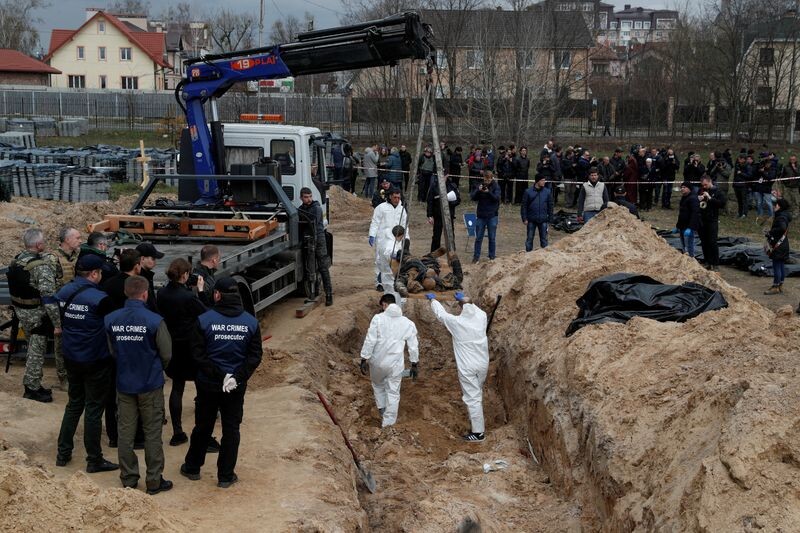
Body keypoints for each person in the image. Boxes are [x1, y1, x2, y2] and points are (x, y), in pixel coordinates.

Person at [180, 277, 263, 489]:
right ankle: (225, 475)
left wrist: (220, 376)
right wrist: (236, 377)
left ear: (217, 295)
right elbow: (254, 356)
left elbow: (197, 355)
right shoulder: (251, 322)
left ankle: (192, 467)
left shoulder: (204, 320)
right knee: (231, 428)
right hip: (235, 387)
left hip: (208, 384)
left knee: (203, 425)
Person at [105, 275, 173, 494]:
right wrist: (156, 368)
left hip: (124, 383)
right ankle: (154, 481)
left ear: (126, 292)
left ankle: (128, 478)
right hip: (150, 383)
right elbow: (166, 354)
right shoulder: (155, 320)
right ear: (145, 294)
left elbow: (112, 351)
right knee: (152, 432)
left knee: (125, 433)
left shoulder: (111, 319)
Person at [55, 254, 118, 473]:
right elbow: (112, 324)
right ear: (94, 274)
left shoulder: (63, 292)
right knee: (93, 408)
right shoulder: (100, 298)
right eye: (100, 272)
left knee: (74, 404)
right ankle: (94, 459)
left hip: (71, 355)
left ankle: (63, 453)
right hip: (95, 358)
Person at [157, 258, 210, 447]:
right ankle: (202, 430)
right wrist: (201, 291)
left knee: (177, 387)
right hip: (190, 345)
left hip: (172, 345)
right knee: (201, 387)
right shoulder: (188, 297)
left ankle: (177, 432)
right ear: (185, 275)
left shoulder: (162, 293)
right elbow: (206, 314)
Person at [7, 228, 61, 402]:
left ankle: (35, 383)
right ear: (38, 245)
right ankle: (31, 388)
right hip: (37, 317)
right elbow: (49, 299)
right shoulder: (41, 267)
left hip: (21, 313)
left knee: (32, 349)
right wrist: (57, 324)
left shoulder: (16, 260)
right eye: (43, 241)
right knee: (36, 352)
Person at [427, 292, 489, 442]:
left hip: (468, 366)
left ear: (461, 308)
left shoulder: (457, 323)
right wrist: (465, 299)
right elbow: (472, 306)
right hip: (482, 363)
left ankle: (478, 433)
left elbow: (441, 314)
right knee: (476, 393)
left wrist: (433, 300)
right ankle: (476, 419)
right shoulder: (482, 317)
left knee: (472, 398)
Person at [359, 293, 419, 428]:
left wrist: (364, 358)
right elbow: (413, 346)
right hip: (395, 364)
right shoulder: (407, 323)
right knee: (393, 392)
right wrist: (414, 363)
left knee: (378, 385)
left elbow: (370, 340)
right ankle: (388, 424)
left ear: (385, 304)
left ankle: (382, 409)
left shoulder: (378, 319)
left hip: (377, 362)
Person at [53, 227, 82, 389]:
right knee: (60, 344)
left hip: (77, 306)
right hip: (60, 307)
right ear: (67, 240)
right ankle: (63, 378)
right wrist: (56, 321)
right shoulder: (53, 259)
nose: (80, 240)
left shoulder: (78, 256)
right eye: (77, 238)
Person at [299, 187, 333, 306]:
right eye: (305, 197)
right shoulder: (301, 209)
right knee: (310, 268)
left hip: (319, 240)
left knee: (323, 268)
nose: (308, 199)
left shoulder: (316, 208)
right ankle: (314, 292)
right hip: (309, 240)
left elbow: (313, 223)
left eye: (310, 196)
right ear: (301, 198)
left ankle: (329, 295)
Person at [369, 189, 409, 291]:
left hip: (397, 239)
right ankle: (379, 283)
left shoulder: (402, 209)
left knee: (395, 260)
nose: (397, 199)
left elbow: (405, 225)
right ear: (390, 196)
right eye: (395, 197)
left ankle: (394, 281)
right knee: (380, 260)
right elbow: (375, 222)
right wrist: (372, 235)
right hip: (383, 238)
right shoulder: (381, 207)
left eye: (398, 197)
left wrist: (406, 238)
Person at [470, 170, 501, 263]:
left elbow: (496, 198)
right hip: (481, 215)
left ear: (492, 178)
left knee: (492, 238)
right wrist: (478, 191)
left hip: (492, 215)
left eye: (488, 180)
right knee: (478, 238)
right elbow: (473, 197)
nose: (486, 182)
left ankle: (492, 257)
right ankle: (476, 257)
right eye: (485, 180)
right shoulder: (480, 185)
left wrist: (488, 192)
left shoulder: (496, 186)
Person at [698, 175, 726, 271]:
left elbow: (722, 204)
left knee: (712, 242)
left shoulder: (718, 191)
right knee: (704, 241)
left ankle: (715, 263)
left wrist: (710, 198)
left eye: (705, 184)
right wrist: (698, 198)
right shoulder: (701, 190)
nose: (704, 186)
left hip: (712, 220)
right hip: (702, 219)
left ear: (710, 182)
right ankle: (707, 261)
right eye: (703, 185)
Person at [426, 172, 460, 252]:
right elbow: (430, 201)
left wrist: (449, 201)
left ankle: (452, 253)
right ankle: (434, 254)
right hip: (438, 215)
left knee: (450, 236)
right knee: (436, 236)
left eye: (443, 176)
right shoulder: (434, 186)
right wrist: (429, 215)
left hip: (449, 215)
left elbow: (458, 200)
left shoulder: (452, 186)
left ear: (447, 176)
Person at [764, 198, 792, 295]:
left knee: (776, 265)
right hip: (784, 244)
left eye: (775, 205)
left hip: (778, 246)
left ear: (779, 206)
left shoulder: (781, 217)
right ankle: (780, 285)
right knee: (781, 265)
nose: (774, 206)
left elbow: (782, 228)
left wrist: (770, 232)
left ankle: (775, 287)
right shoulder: (785, 215)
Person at [521, 174, 554, 251]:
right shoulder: (528, 192)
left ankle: (545, 255)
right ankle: (528, 254)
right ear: (537, 181)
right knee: (529, 239)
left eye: (544, 180)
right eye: (542, 180)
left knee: (544, 240)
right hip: (531, 219)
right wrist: (524, 218)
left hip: (543, 219)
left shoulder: (547, 192)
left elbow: (550, 206)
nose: (544, 182)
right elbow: (524, 206)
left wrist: (550, 218)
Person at [376, 226, 406, 299]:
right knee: (395, 296)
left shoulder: (384, 242)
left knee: (388, 295)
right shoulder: (392, 246)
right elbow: (391, 257)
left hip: (385, 274)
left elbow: (378, 260)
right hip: (391, 276)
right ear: (401, 235)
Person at [135, 242, 163, 311]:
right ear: (142, 259)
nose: (155, 262)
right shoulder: (141, 279)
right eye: (153, 259)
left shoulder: (145, 275)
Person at [676, 181, 700, 257]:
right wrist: (678, 226)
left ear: (689, 188)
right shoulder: (684, 197)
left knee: (689, 246)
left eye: (684, 187)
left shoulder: (693, 198)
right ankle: (685, 259)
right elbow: (681, 214)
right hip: (682, 226)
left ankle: (691, 260)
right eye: (681, 187)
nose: (682, 189)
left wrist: (690, 228)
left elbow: (695, 214)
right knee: (683, 245)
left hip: (688, 227)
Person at [732, 153, 753, 219]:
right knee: (739, 200)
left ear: (744, 159)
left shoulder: (748, 166)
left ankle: (744, 214)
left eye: (740, 158)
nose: (739, 159)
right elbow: (735, 175)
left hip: (744, 186)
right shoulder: (737, 165)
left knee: (744, 200)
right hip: (736, 185)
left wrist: (741, 173)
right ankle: (739, 213)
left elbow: (749, 176)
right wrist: (734, 183)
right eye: (739, 158)